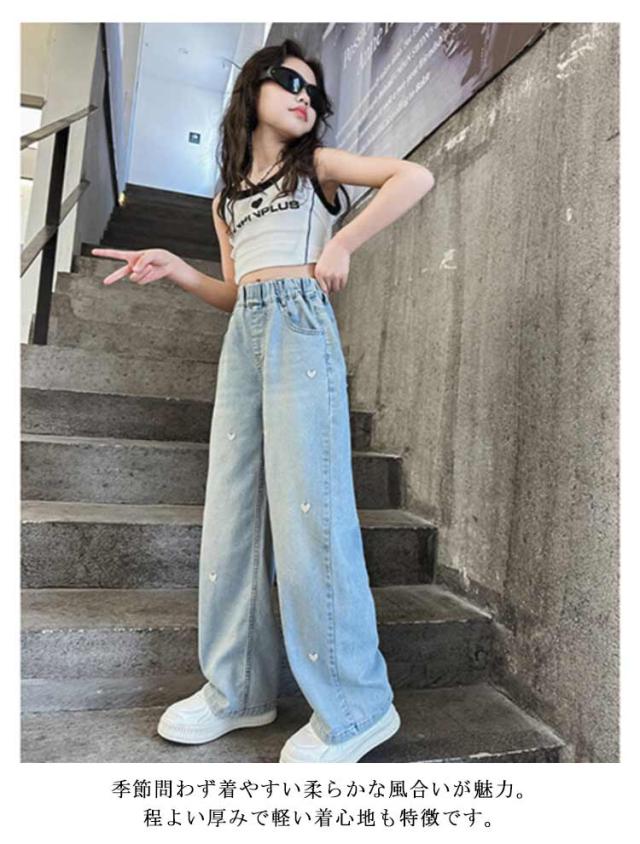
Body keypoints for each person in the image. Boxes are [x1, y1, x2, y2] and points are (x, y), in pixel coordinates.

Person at [92, 38, 435, 762]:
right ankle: (237, 689)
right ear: (252, 90)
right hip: (245, 337)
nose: (304, 96)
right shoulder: (225, 201)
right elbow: (235, 290)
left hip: (300, 330)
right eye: (288, 81)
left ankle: (356, 708)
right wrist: (178, 268)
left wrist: (343, 243)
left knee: (311, 513)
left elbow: (414, 176)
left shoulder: (317, 167)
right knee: (234, 514)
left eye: (314, 90)